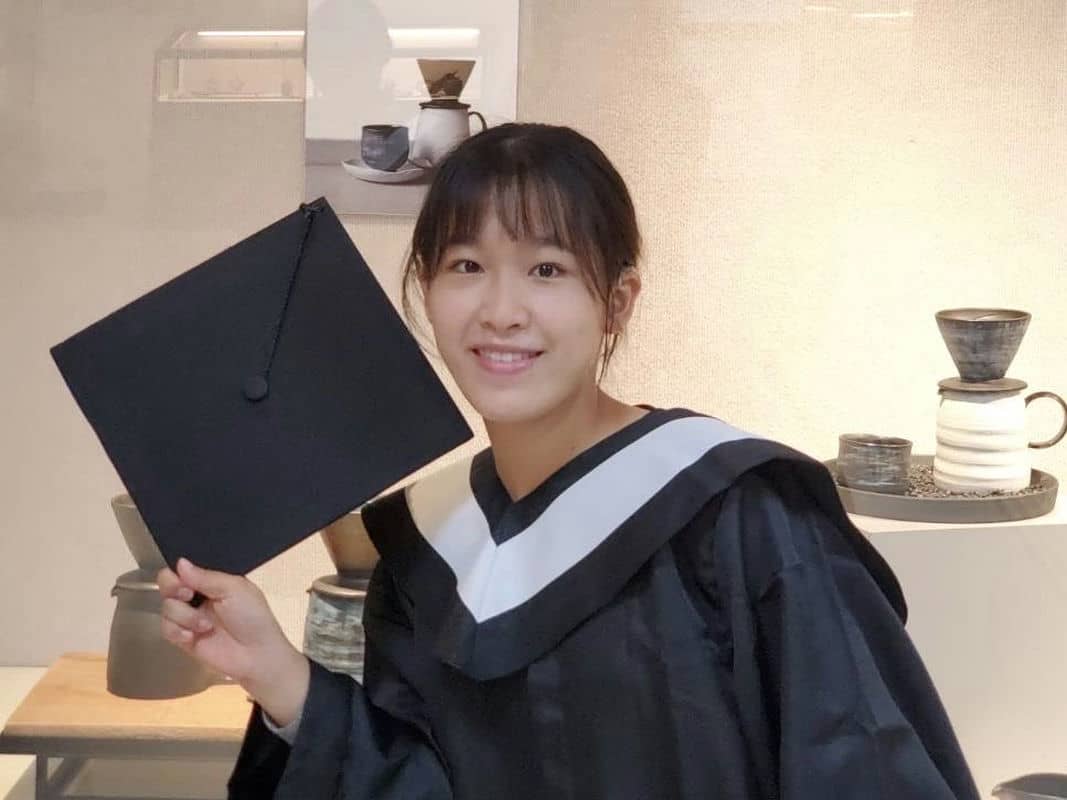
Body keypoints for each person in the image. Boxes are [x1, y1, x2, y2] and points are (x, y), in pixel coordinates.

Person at [157, 122, 981, 800]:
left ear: (616, 302)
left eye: (546, 270)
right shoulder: (423, 549)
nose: (500, 311)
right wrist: (278, 676)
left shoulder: (742, 514)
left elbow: (864, 766)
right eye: (466, 267)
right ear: (425, 290)